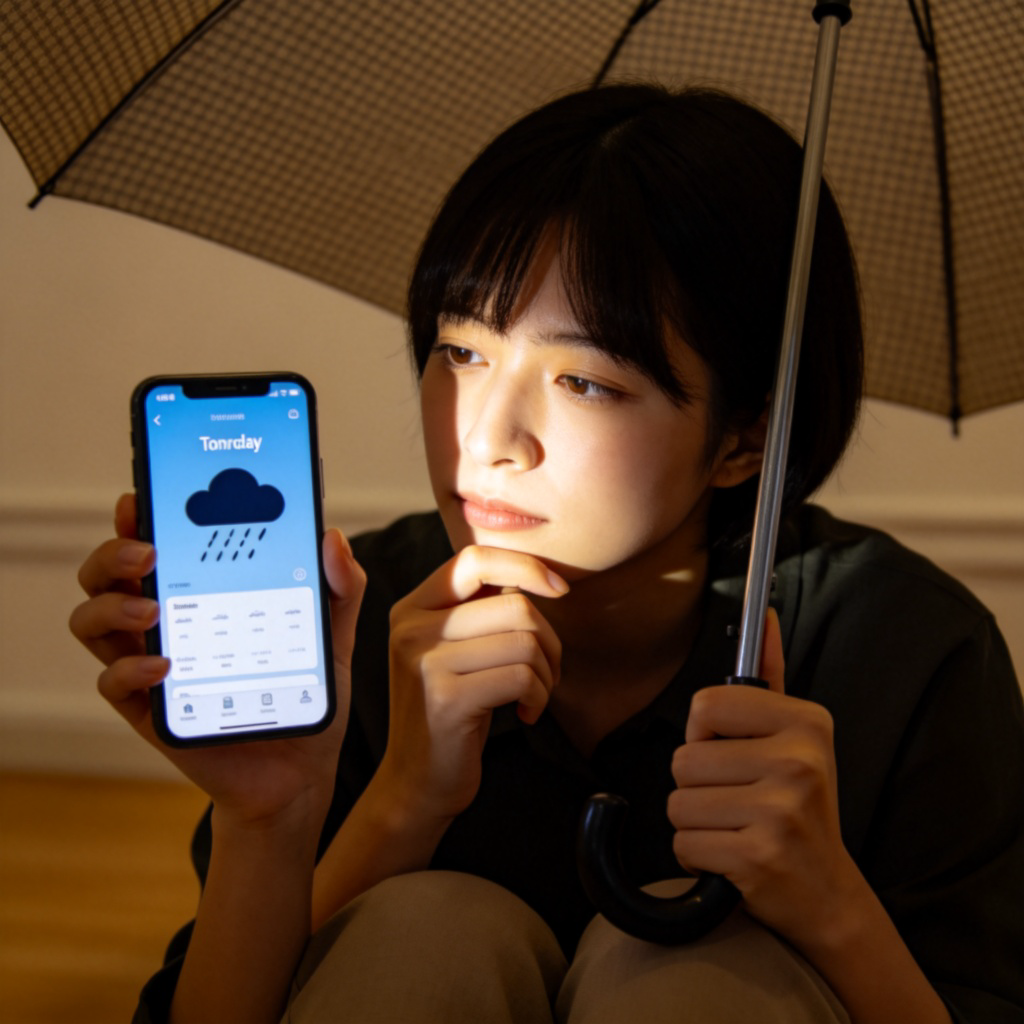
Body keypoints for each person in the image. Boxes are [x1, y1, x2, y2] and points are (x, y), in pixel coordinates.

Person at [70, 85, 1023, 1024]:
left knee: (697, 979)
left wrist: (831, 903)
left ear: (745, 440)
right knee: (424, 933)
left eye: (584, 381)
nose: (488, 438)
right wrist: (302, 814)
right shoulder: (352, 617)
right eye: (462, 352)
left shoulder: (904, 650)